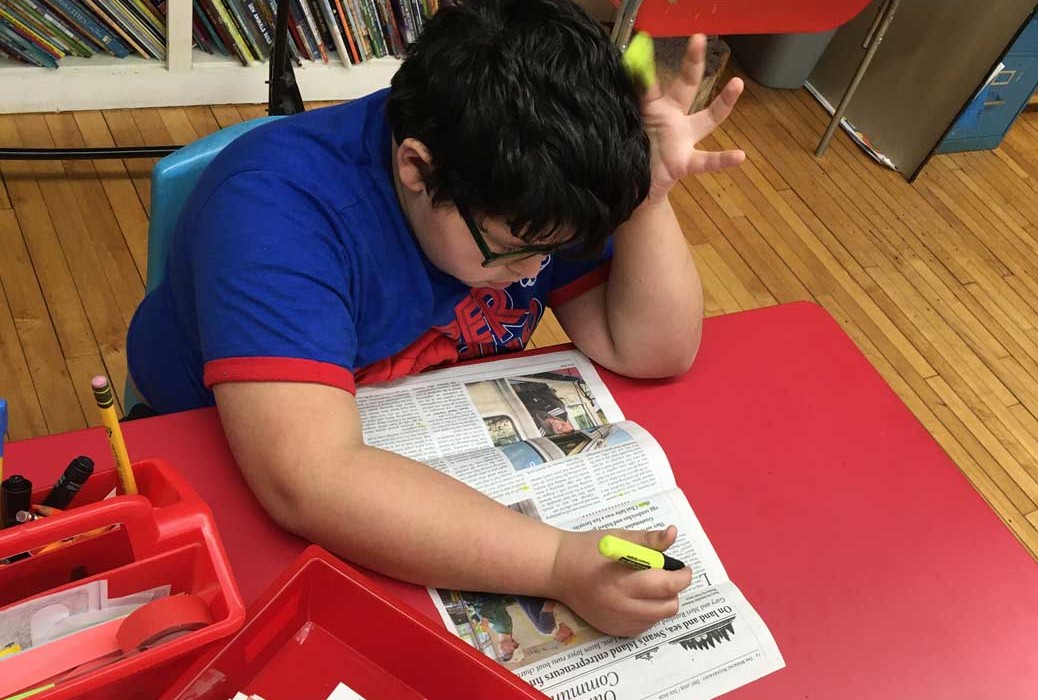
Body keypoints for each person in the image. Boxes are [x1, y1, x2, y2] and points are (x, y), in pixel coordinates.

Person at [125, 0, 744, 637]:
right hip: (203, 461)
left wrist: (647, 197)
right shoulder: (273, 210)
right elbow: (309, 479)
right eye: (515, 251)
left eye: (553, 251)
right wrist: (559, 562)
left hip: (409, 451)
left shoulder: (535, 190)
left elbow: (650, 349)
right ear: (417, 167)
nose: (534, 274)